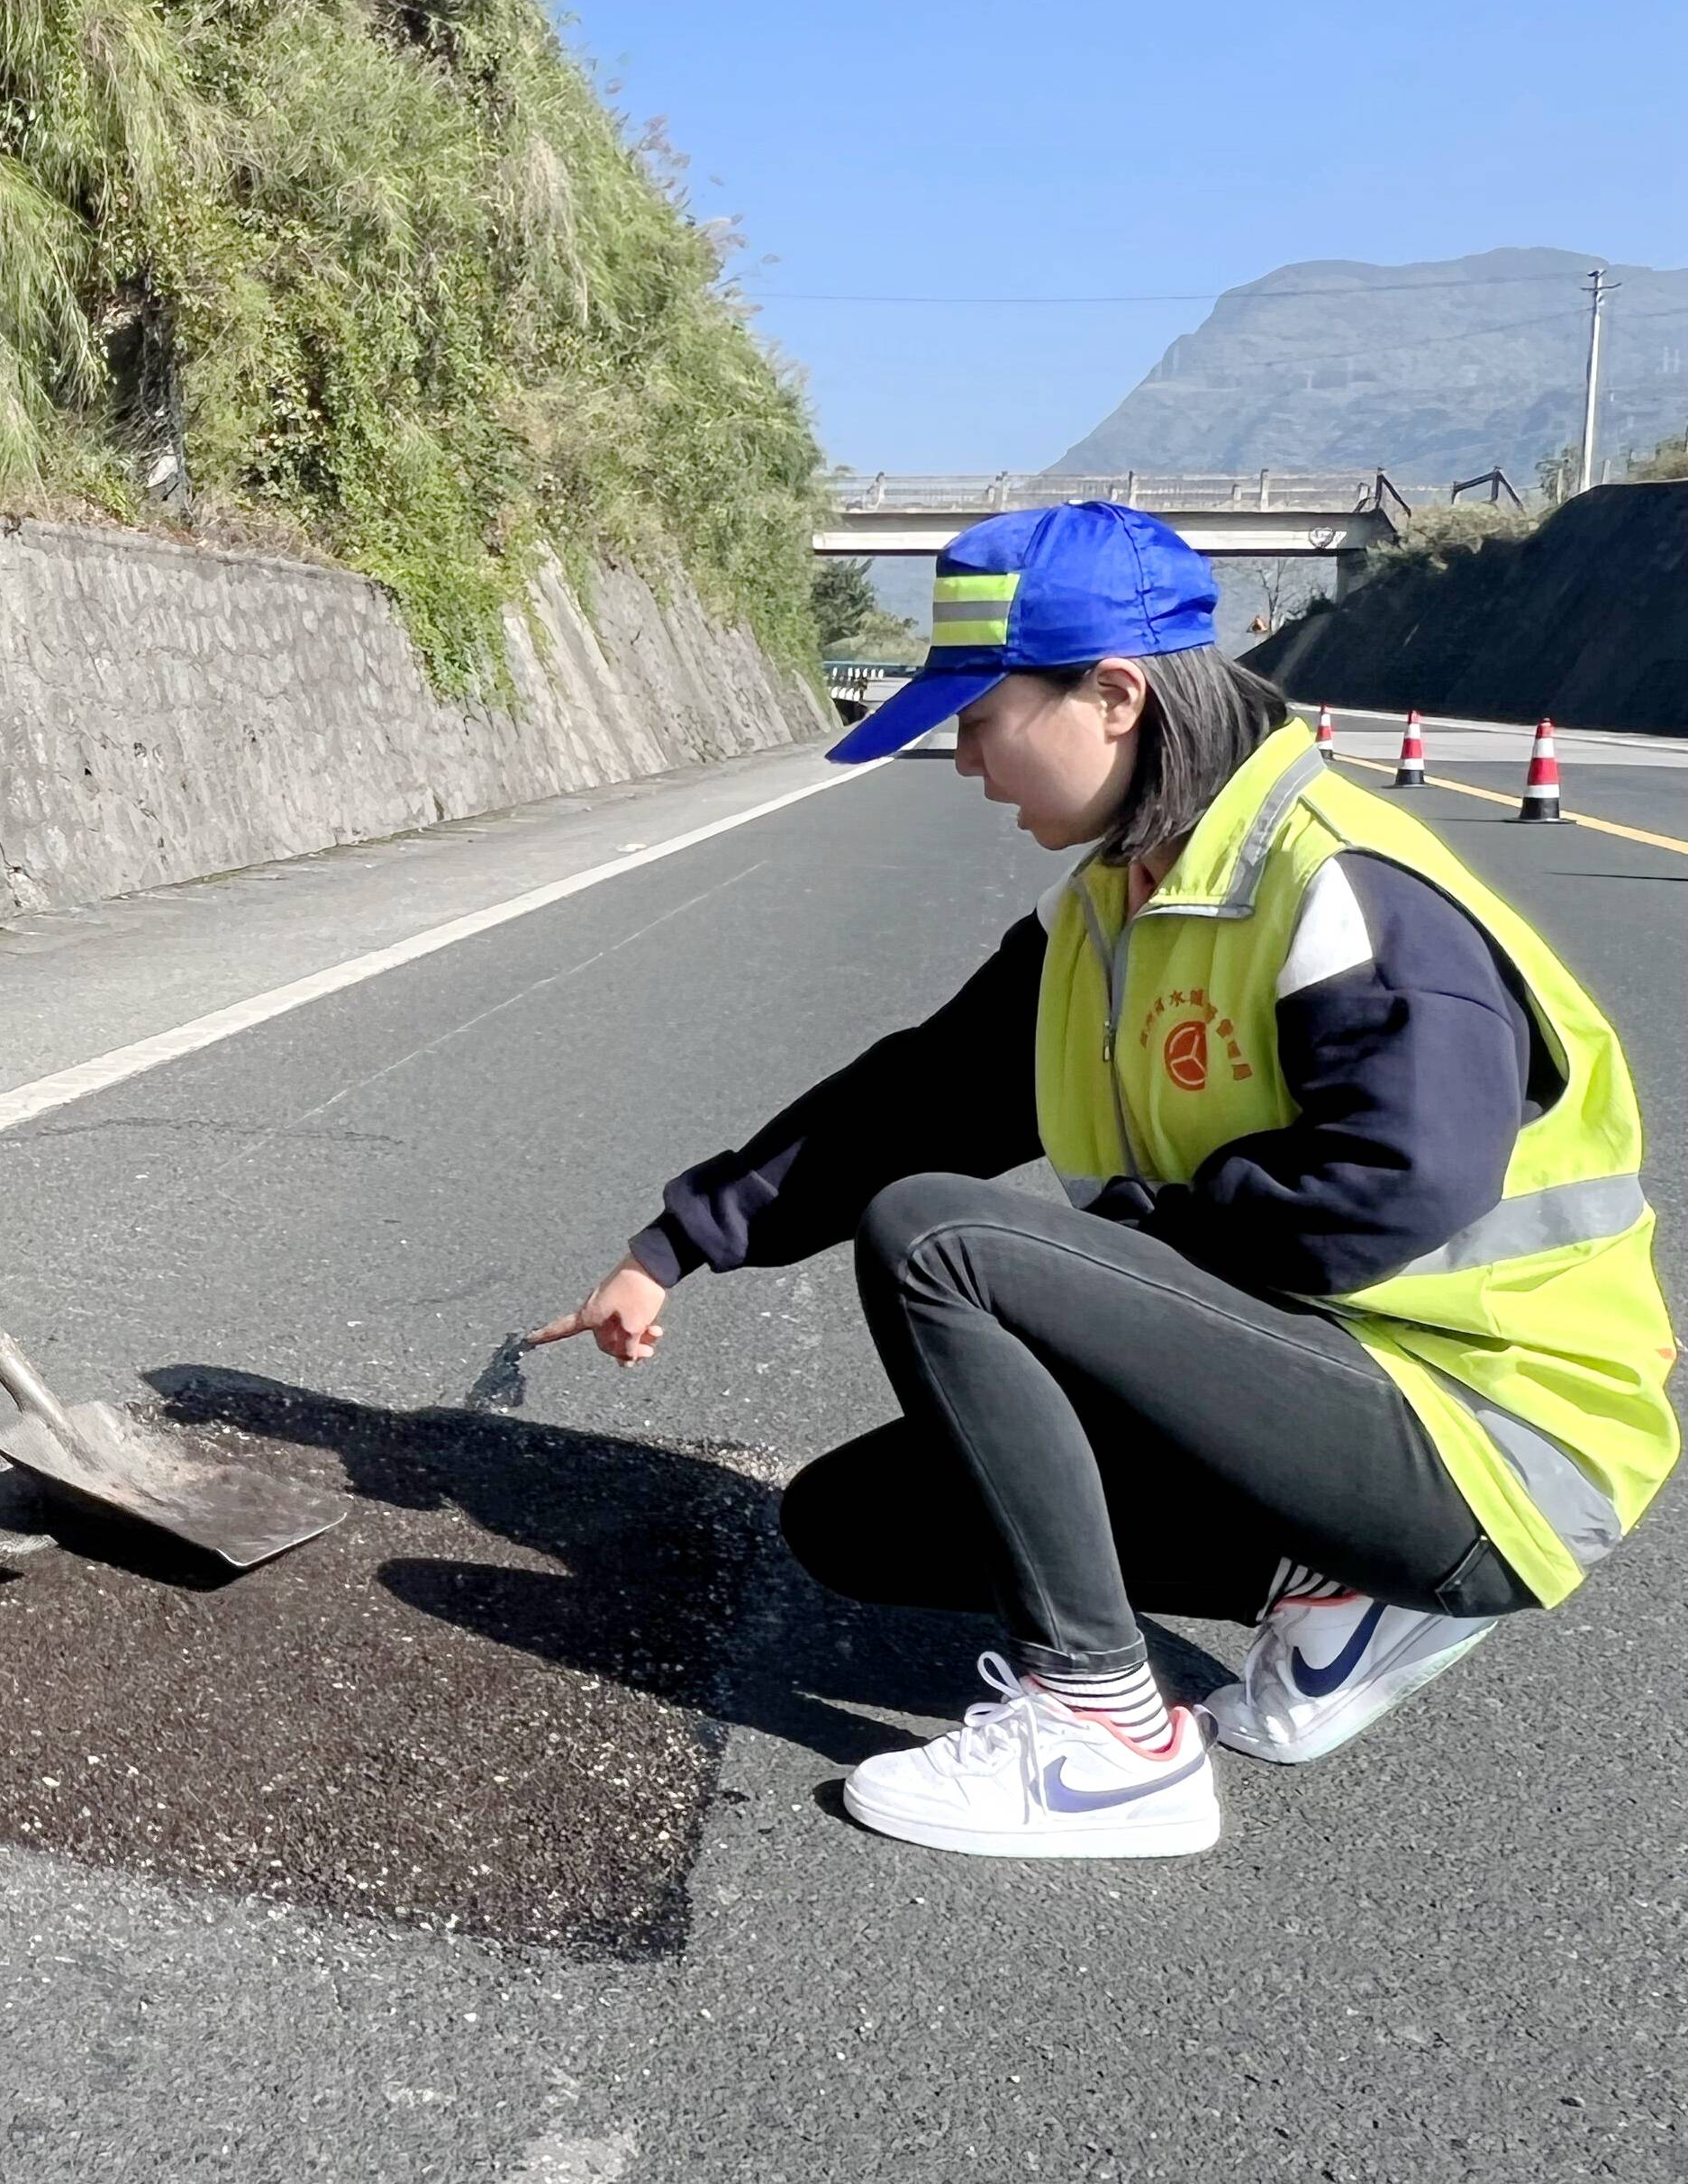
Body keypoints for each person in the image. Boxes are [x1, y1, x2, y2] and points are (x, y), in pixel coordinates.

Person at [531, 501, 1676, 1859]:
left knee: (941, 1245)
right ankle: (1332, 1582)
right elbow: (912, 1097)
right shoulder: (1113, 911)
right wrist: (675, 1245)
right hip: (1328, 1387)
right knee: (856, 1525)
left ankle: (1105, 1740)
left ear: (1114, 694)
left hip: (1493, 1433)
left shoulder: (1338, 889)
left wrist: (1143, 1236)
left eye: (977, 719)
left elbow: (1394, 1181)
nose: (960, 761)